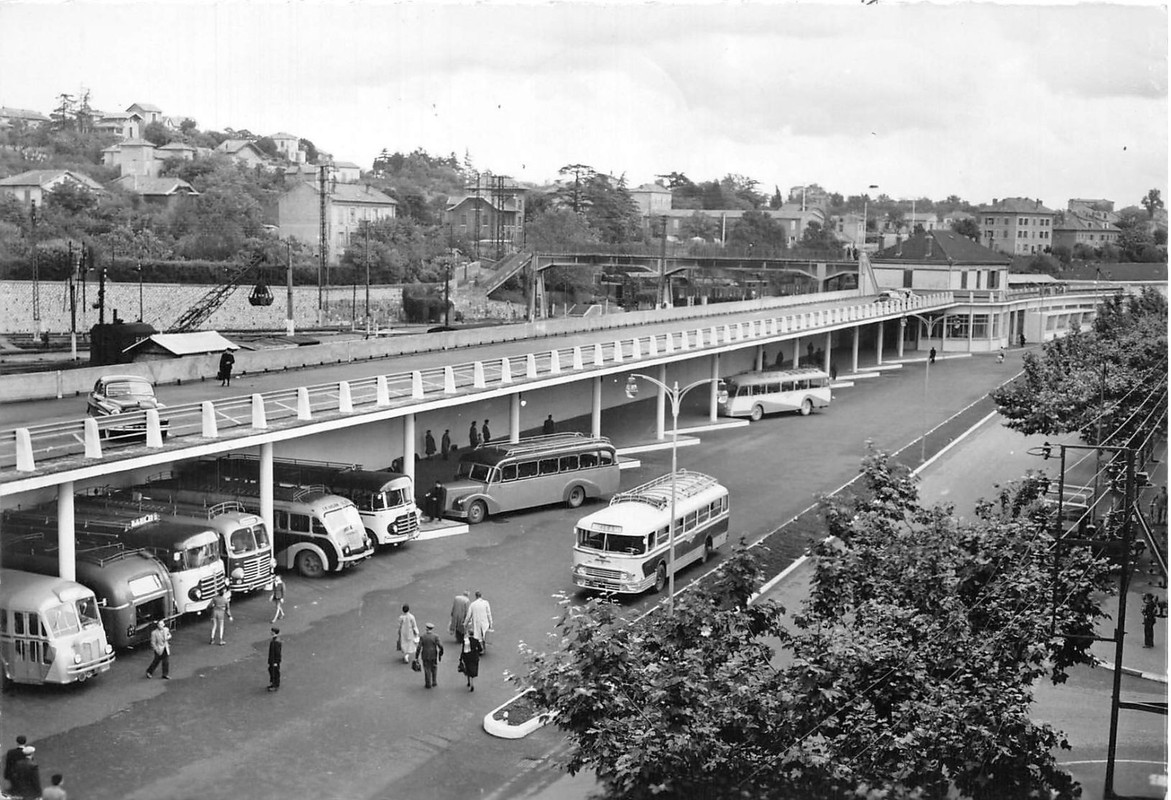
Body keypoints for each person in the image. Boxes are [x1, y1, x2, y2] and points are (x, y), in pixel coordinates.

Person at [414, 622, 444, 689]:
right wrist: (441, 653)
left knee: (427, 668)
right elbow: (440, 646)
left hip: (425, 655)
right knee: (434, 667)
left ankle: (428, 683)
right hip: (433, 654)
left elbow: (419, 647)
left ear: (426, 629)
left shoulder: (423, 636)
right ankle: (434, 681)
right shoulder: (436, 636)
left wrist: (416, 656)